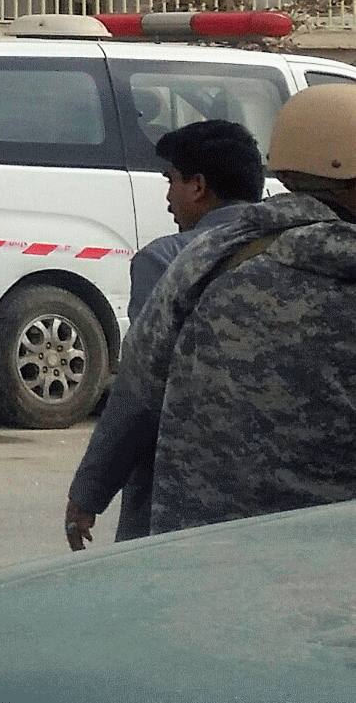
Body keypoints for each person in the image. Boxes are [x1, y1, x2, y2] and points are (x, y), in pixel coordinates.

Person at [74, 84, 356, 537]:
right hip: (329, 552)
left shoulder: (203, 259)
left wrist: (89, 493)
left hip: (200, 545)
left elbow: (139, 389)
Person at [65, 117, 265, 549]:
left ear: (198, 186)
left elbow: (143, 387)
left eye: (170, 180)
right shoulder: (304, 246)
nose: (168, 196)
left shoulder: (170, 260)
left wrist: (89, 493)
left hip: (186, 489)